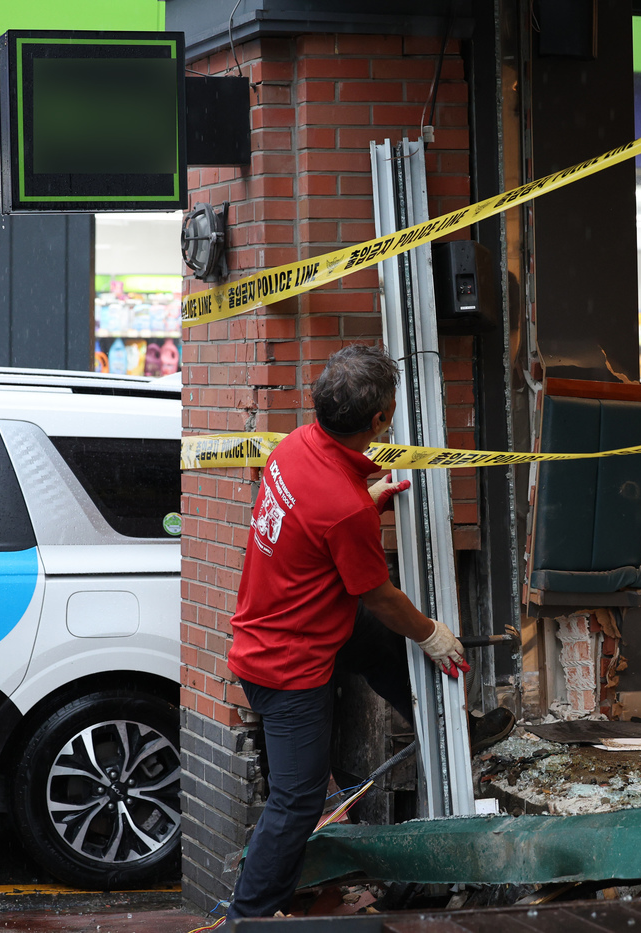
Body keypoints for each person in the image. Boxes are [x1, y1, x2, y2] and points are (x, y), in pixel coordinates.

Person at [223, 345, 510, 920]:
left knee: (379, 645)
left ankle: (460, 730)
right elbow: (376, 593)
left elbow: (321, 519)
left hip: (297, 624)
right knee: (297, 800)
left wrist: (366, 498)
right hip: (287, 666)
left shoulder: (299, 445)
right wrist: (432, 634)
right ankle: (248, 919)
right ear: (380, 421)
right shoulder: (343, 508)